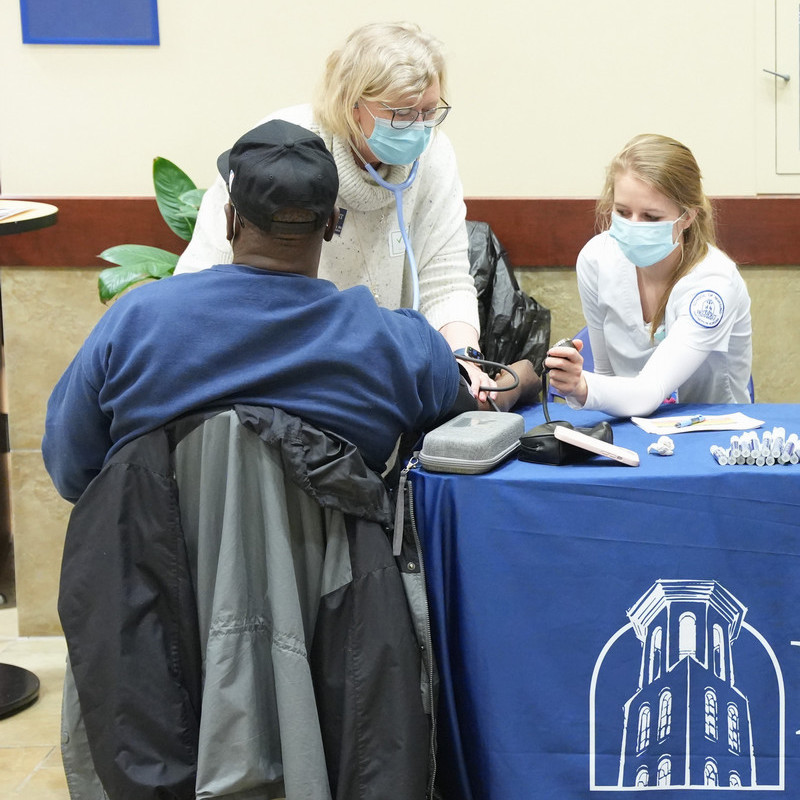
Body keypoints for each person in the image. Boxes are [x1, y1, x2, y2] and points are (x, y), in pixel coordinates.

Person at [43, 120, 538, 503]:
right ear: (329, 225)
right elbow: (477, 411)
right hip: (335, 617)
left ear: (230, 218)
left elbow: (72, 470)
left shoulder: (134, 324)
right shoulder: (396, 345)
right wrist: (528, 377)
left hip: (159, 609)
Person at [175, 21, 495, 398]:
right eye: (402, 113)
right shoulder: (283, 151)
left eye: (429, 111)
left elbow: (446, 279)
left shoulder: (434, 155)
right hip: (283, 367)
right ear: (352, 102)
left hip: (383, 375)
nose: (419, 128)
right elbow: (203, 274)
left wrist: (465, 359)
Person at [546, 133, 752, 417]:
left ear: (688, 217)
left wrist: (581, 386)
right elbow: (606, 375)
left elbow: (650, 390)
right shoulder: (596, 260)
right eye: (622, 211)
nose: (633, 226)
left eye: (651, 217)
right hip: (629, 424)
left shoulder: (714, 284)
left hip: (711, 432)